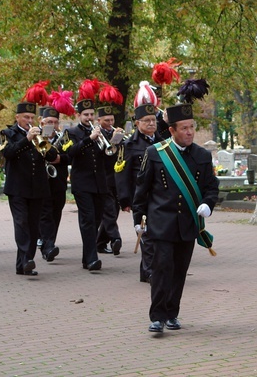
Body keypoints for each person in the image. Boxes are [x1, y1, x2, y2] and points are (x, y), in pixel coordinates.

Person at [132, 79, 219, 334]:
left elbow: (211, 187)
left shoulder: (202, 156)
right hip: (160, 223)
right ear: (172, 130)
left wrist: (208, 205)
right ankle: (157, 316)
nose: (190, 132)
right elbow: (142, 188)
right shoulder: (157, 153)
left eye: (192, 127)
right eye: (184, 128)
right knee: (161, 270)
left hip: (187, 225)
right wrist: (138, 218)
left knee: (179, 271)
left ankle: (172, 313)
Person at [2, 85, 58, 276]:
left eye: (32, 118)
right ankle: (28, 259)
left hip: (38, 187)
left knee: (34, 225)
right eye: (26, 117)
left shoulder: (38, 135)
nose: (30, 121)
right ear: (17, 118)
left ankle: (23, 263)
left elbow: (51, 156)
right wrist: (27, 139)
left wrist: (44, 139)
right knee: (22, 223)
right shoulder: (8, 134)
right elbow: (8, 153)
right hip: (17, 187)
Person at [116, 81, 166, 283]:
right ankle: (148, 271)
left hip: (160, 194)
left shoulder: (163, 142)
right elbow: (121, 174)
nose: (151, 124)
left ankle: (149, 270)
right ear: (137, 123)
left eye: (153, 120)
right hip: (140, 196)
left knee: (158, 233)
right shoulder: (128, 145)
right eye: (146, 121)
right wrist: (125, 200)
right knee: (145, 233)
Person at [63, 79, 107, 272]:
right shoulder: (70, 132)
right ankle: (91, 259)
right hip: (82, 183)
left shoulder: (101, 132)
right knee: (88, 219)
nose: (89, 117)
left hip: (99, 183)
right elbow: (69, 153)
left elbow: (107, 155)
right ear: (79, 115)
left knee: (96, 220)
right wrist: (89, 139)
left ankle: (86, 257)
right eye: (86, 114)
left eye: (91, 114)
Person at [37, 106, 70, 262]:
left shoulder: (63, 137)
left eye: (55, 122)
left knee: (56, 212)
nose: (52, 125)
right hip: (41, 181)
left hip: (58, 181)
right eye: (49, 121)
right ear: (41, 122)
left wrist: (61, 159)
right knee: (45, 213)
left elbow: (72, 155)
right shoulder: (35, 136)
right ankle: (48, 245)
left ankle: (48, 243)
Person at [94, 95, 125, 256]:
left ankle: (100, 242)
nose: (110, 123)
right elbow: (101, 154)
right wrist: (113, 141)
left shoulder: (116, 132)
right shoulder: (97, 135)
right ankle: (115, 238)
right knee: (109, 211)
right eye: (106, 120)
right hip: (103, 178)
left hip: (116, 179)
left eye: (112, 120)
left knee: (115, 210)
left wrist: (121, 140)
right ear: (99, 121)